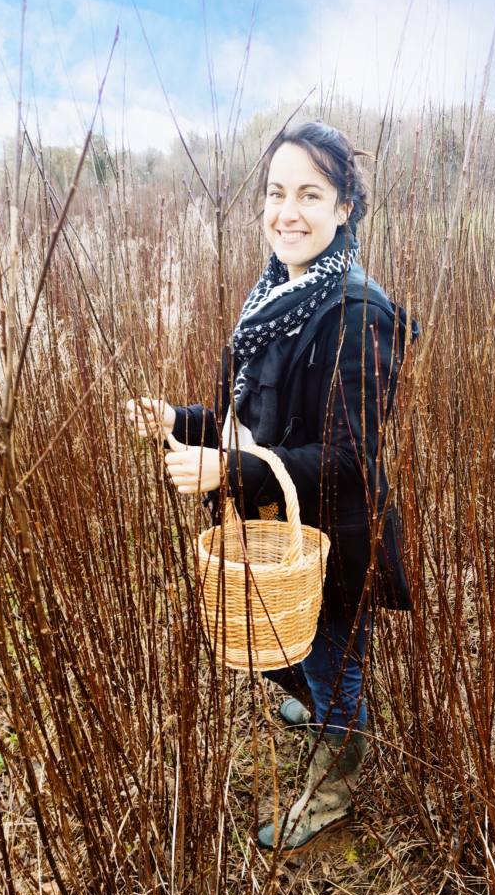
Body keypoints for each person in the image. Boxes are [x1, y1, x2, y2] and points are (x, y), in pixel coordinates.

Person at [127, 121, 414, 853]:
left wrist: (229, 470)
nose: (288, 211)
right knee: (286, 649)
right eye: (277, 192)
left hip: (335, 539)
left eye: (310, 194)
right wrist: (185, 422)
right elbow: (250, 418)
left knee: (332, 658)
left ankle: (333, 789)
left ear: (345, 207)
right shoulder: (274, 294)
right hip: (279, 528)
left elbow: (350, 459)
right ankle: (314, 704)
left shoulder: (358, 313)